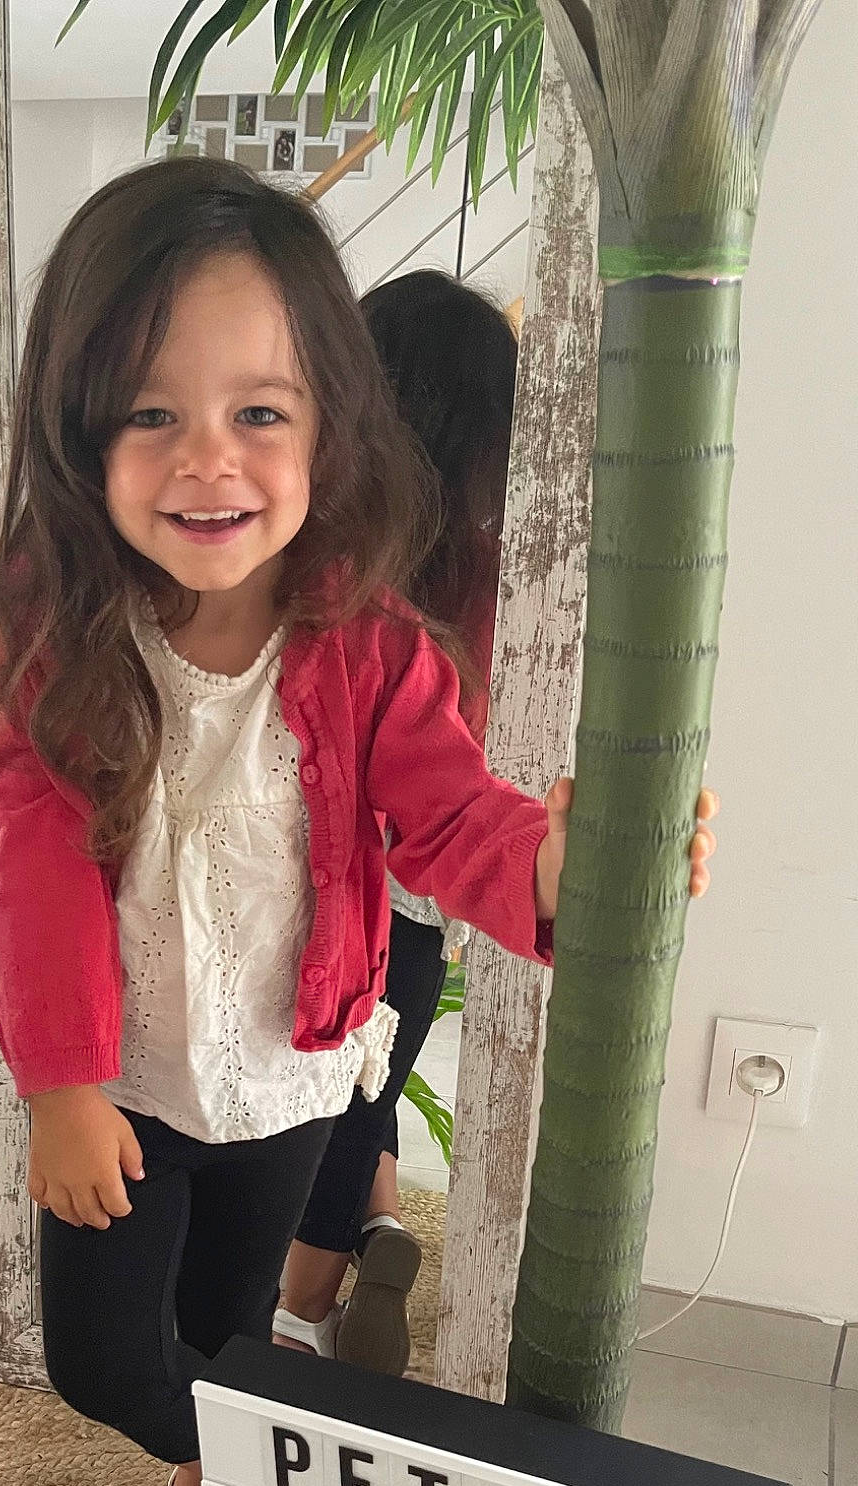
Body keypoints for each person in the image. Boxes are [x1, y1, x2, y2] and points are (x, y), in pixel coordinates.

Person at [0, 158, 712, 1486]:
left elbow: (451, 817)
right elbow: (33, 864)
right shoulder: (57, 646)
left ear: (326, 431)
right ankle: (261, 1458)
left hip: (292, 1072)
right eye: (150, 415)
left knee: (239, 1321)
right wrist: (58, 1083)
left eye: (258, 413)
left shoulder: (368, 646)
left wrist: (576, 862)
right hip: (127, 1090)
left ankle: (232, 1474)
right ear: (76, 432)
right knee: (105, 1356)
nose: (207, 462)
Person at [273, 272, 518, 1373]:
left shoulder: (301, 550)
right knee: (361, 1094)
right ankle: (322, 1291)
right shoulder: (485, 578)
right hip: (412, 909)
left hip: (291, 886)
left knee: (300, 1111)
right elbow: (476, 750)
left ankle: (301, 1306)